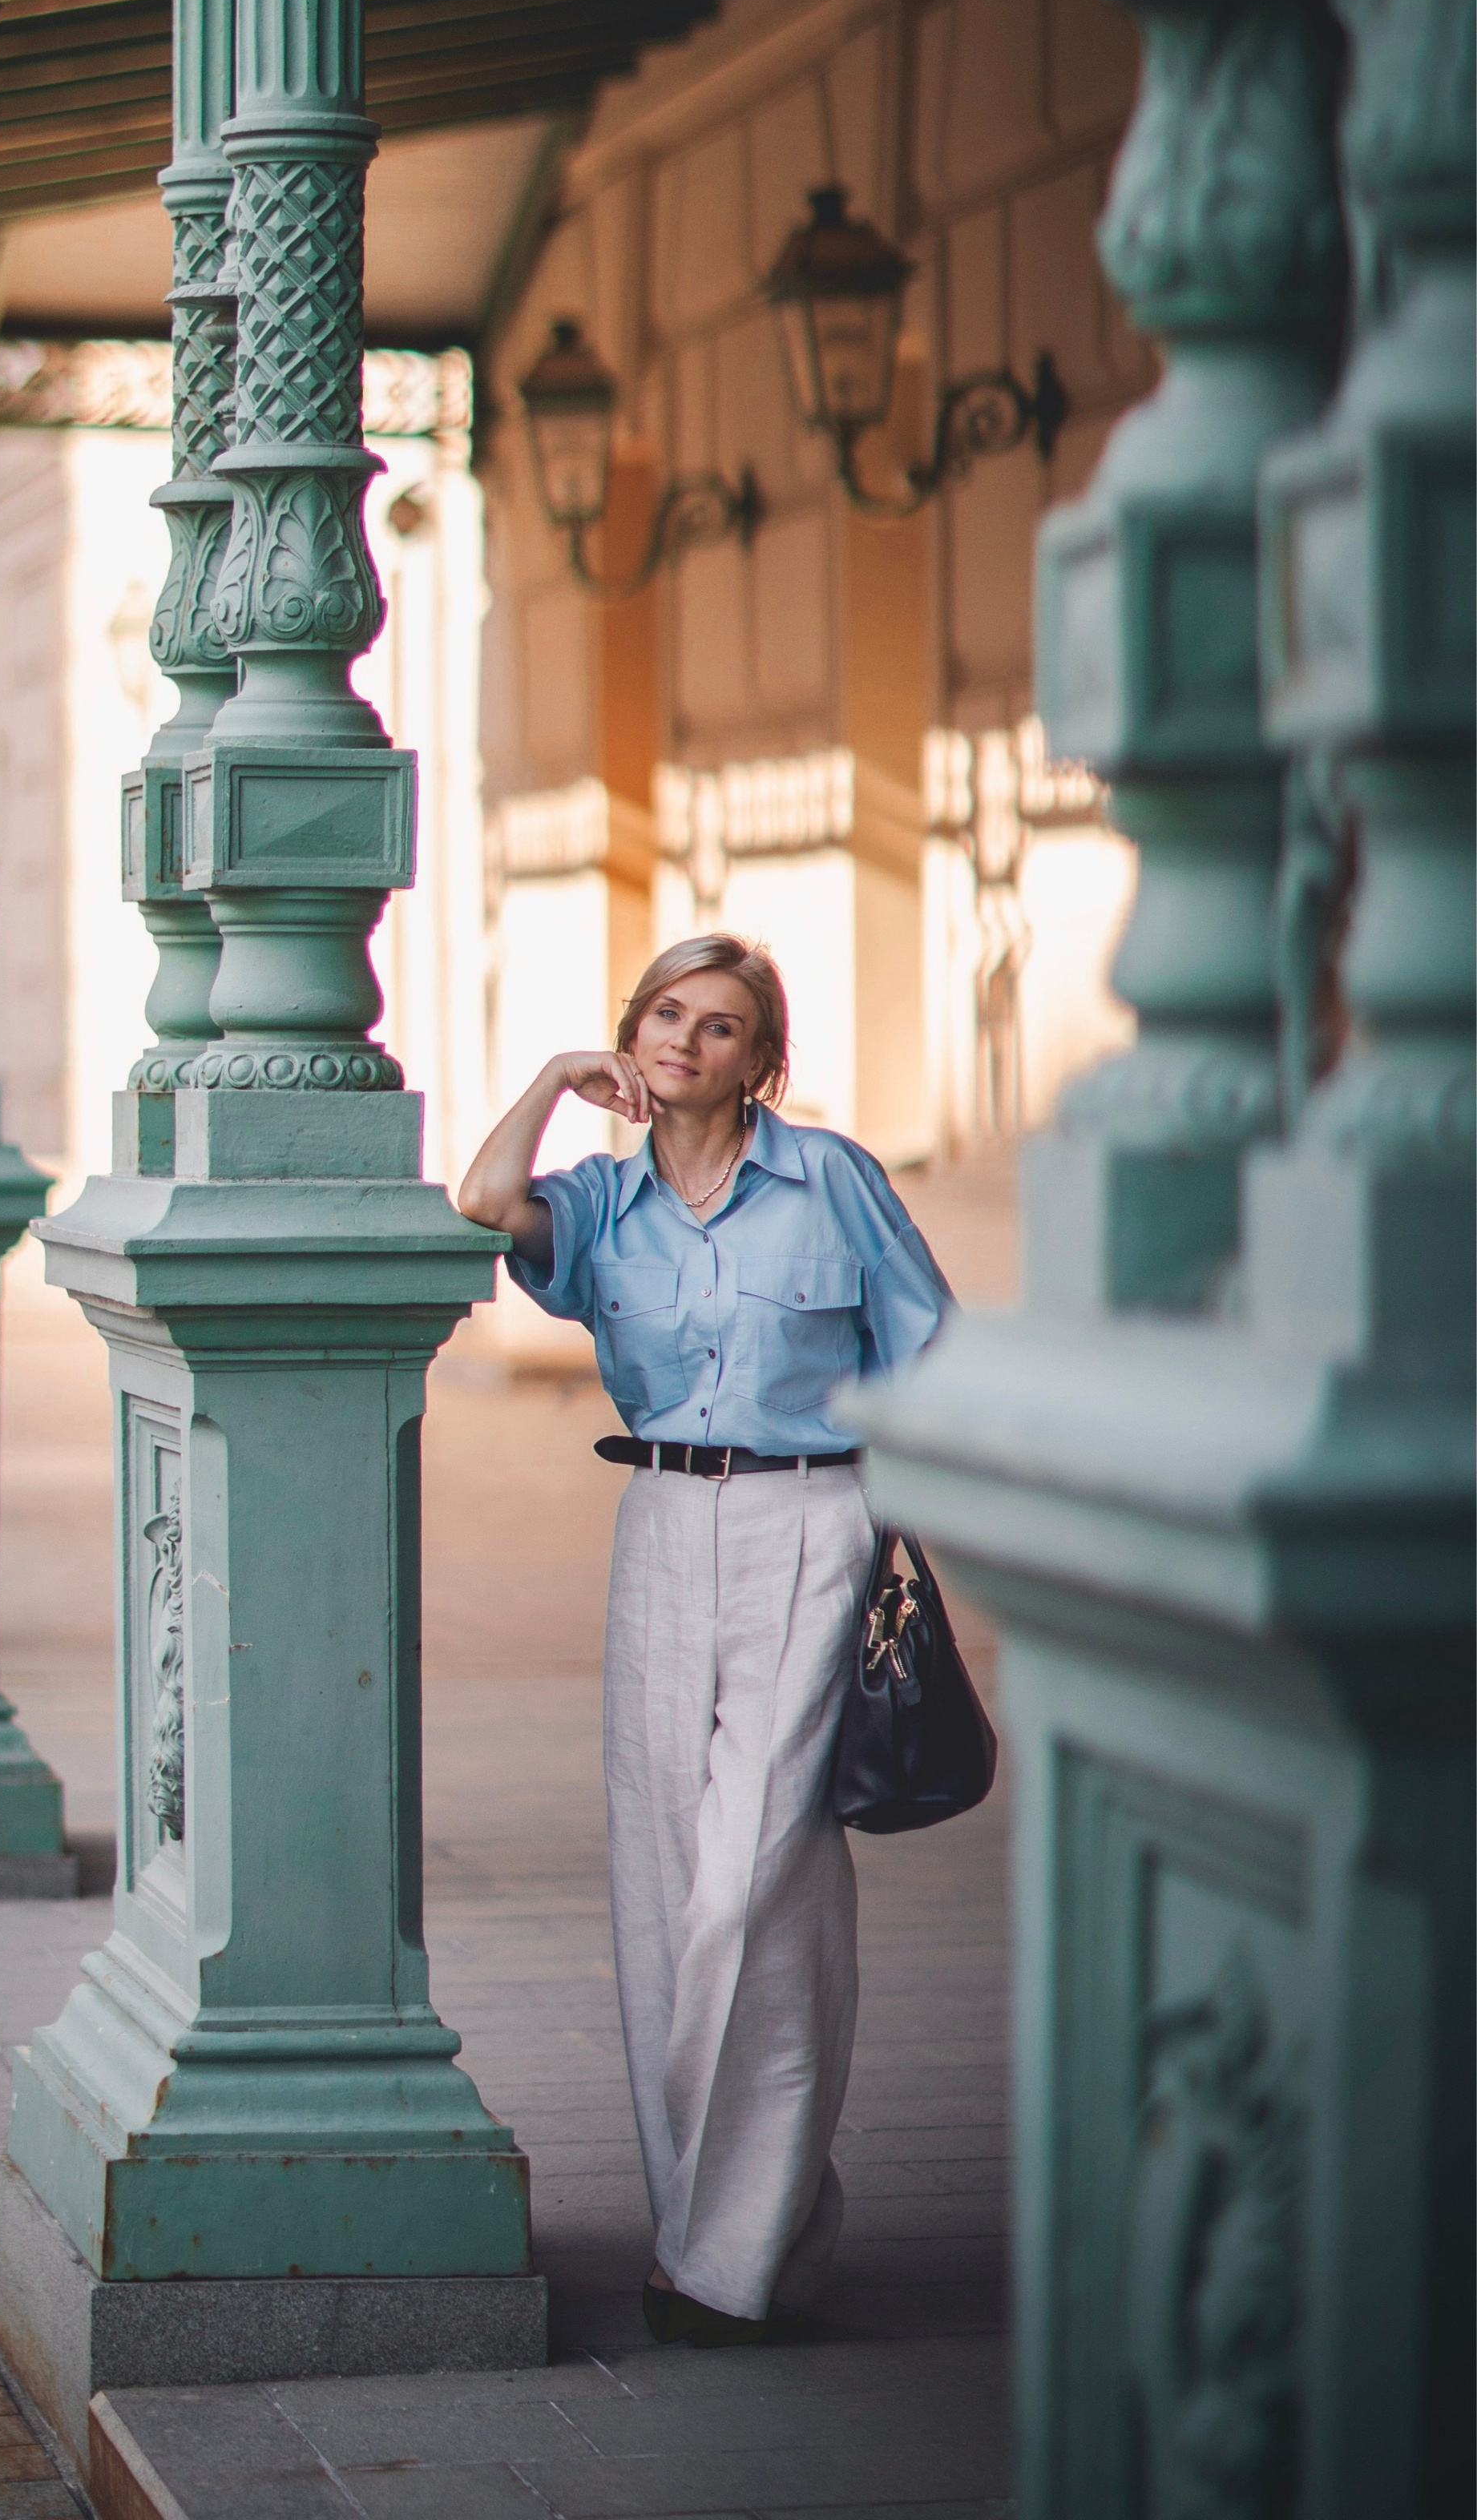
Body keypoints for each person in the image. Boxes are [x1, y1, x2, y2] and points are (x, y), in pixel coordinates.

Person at [457, 931, 951, 2346]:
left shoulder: (834, 1180)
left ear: (761, 1061)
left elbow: (928, 1354)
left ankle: (728, 2261)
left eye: (719, 1024)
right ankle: (725, 2238)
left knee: (752, 1878)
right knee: (669, 1892)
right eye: (664, 1015)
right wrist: (557, 1077)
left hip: (816, 1521)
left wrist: (897, 1538)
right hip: (662, 1528)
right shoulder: (598, 1203)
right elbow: (483, 1201)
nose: (685, 1040)